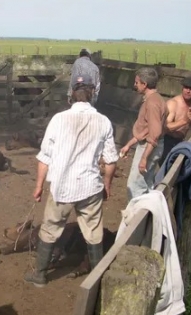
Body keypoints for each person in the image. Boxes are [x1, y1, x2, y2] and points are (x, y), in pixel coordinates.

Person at [23, 74, 118, 288]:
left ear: (72, 94)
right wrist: (107, 185)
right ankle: (96, 278)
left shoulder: (58, 119)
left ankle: (40, 275)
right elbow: (111, 160)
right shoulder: (103, 121)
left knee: (50, 228)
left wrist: (38, 187)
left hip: (62, 187)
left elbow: (44, 157)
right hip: (90, 186)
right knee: (93, 231)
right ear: (92, 94)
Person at [119, 67, 167, 201]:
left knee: (135, 186)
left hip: (149, 147)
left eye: (136, 83)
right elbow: (147, 129)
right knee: (146, 183)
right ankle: (146, 216)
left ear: (144, 84)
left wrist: (144, 158)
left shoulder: (152, 103)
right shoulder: (155, 99)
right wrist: (129, 145)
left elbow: (154, 133)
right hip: (150, 146)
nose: (135, 86)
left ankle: (137, 218)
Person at [158, 75, 191, 166]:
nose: (188, 91)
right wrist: (185, 120)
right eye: (186, 87)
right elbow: (166, 127)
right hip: (166, 141)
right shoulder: (173, 104)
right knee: (166, 170)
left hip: (181, 141)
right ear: (182, 88)